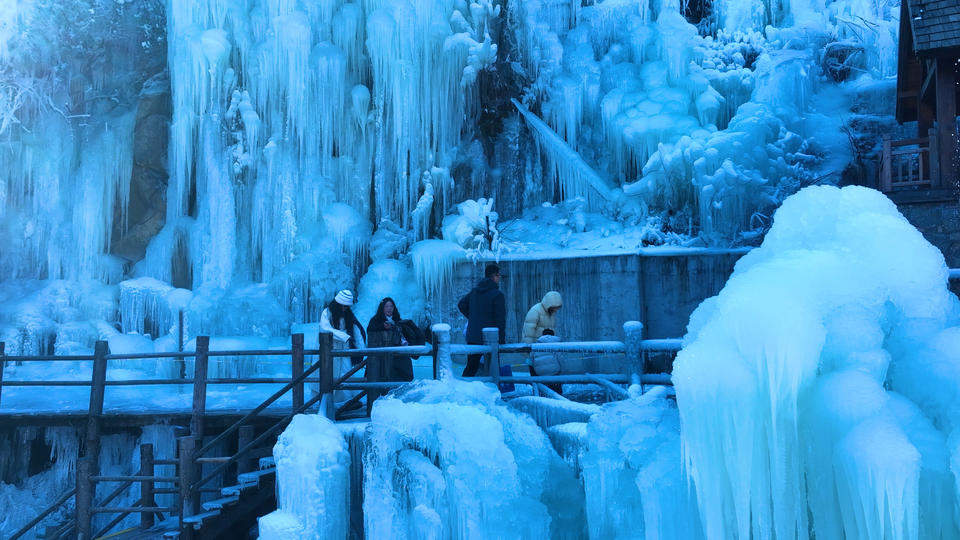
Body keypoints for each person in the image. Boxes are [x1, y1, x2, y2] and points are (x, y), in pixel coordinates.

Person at [365, 298, 415, 410]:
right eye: (387, 306)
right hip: (381, 359)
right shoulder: (375, 320)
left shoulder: (398, 320)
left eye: (391, 306)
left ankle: (399, 404)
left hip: (397, 357)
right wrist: (382, 327)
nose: (389, 309)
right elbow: (371, 330)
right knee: (382, 379)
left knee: (401, 377)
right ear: (382, 308)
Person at [457, 263, 506, 377]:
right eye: (499, 276)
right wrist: (501, 339)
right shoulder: (497, 295)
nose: (499, 278)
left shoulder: (475, 291)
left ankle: (462, 389)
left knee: (471, 367)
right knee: (493, 367)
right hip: (490, 337)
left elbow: (461, 304)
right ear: (494, 276)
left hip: (473, 335)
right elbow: (500, 320)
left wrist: (474, 318)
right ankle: (494, 390)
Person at [319, 289, 366, 408]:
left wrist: (362, 349)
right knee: (330, 373)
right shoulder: (327, 313)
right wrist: (344, 336)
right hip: (330, 348)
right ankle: (329, 402)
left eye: (347, 306)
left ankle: (346, 402)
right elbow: (324, 328)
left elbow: (356, 330)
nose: (345, 308)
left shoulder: (348, 314)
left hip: (344, 348)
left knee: (345, 373)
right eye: (343, 306)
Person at [530, 328, 563, 395]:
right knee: (557, 391)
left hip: (540, 373)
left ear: (542, 335)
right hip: (554, 372)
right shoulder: (557, 344)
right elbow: (561, 360)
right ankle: (558, 398)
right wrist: (561, 372)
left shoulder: (536, 345)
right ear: (553, 335)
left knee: (543, 391)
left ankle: (542, 397)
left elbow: (531, 360)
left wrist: (534, 373)